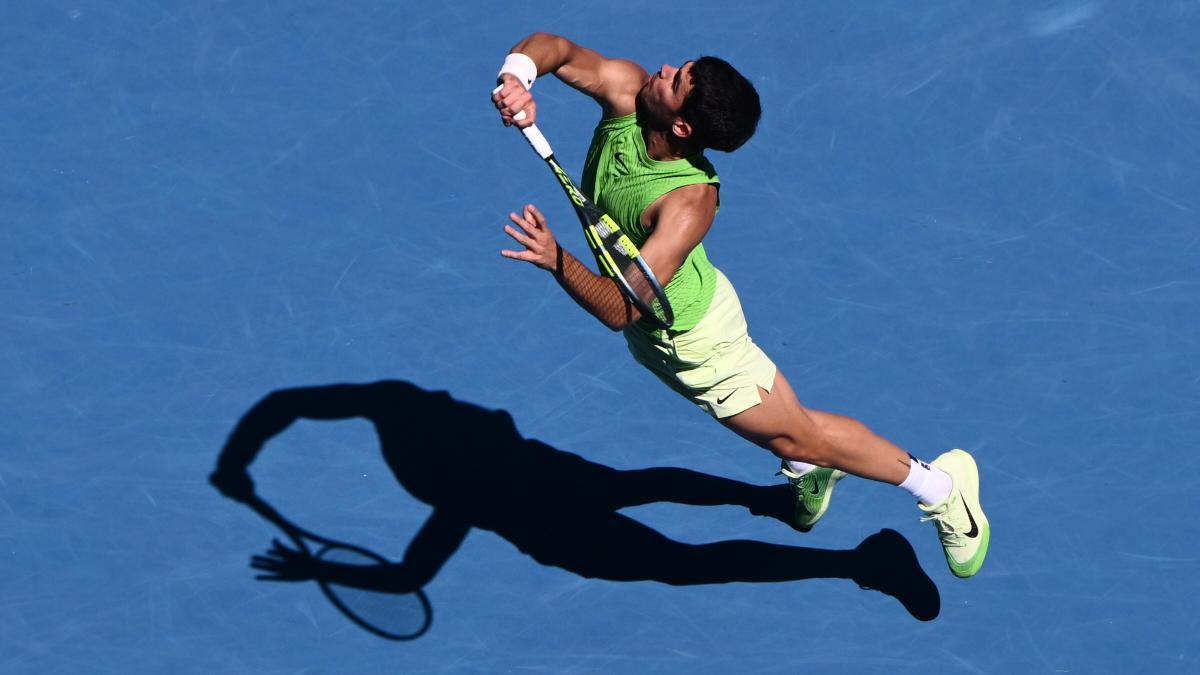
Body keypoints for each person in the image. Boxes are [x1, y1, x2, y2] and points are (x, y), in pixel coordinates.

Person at [491, 33, 989, 578]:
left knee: (802, 433)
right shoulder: (628, 92)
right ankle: (806, 470)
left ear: (682, 126)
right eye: (679, 69)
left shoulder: (687, 203)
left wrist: (557, 259)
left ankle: (942, 490)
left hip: (700, 342)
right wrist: (520, 76)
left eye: (676, 80)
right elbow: (554, 47)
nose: (661, 68)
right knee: (775, 438)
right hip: (655, 329)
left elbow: (619, 310)